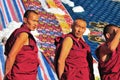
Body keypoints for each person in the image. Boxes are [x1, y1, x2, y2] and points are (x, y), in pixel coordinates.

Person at [4, 10, 39, 80]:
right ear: (25, 20)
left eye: (37, 21)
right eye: (33, 21)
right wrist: (6, 76)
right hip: (20, 75)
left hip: (27, 74)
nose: (36, 24)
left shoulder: (23, 33)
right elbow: (11, 55)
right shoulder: (23, 34)